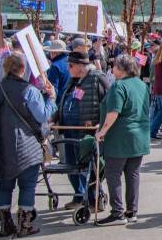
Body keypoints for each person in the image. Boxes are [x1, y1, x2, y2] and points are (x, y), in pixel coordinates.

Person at [0, 53, 57, 237]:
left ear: (4, 68)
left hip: (0, 145)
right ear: (23, 70)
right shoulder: (29, 91)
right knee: (27, 186)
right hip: (27, 145)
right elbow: (42, 116)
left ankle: (6, 225)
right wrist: (51, 98)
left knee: (4, 186)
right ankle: (25, 224)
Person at [93, 54, 150, 225]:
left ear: (122, 69)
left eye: (115, 66)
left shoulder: (119, 86)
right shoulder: (141, 84)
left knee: (113, 173)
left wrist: (102, 131)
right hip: (139, 135)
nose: (112, 69)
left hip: (120, 136)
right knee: (132, 173)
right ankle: (132, 211)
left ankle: (117, 212)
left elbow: (113, 112)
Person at [55, 51, 110, 209]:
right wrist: (54, 117)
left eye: (70, 66)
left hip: (87, 133)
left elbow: (109, 102)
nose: (68, 68)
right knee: (71, 166)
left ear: (80, 66)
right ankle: (79, 196)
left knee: (91, 168)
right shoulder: (73, 81)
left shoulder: (97, 78)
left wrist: (101, 124)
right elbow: (64, 102)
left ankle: (93, 199)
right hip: (69, 129)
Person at [45, 39, 70, 104]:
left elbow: (53, 88)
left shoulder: (55, 66)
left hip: (59, 102)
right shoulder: (71, 62)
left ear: (54, 52)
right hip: (70, 100)